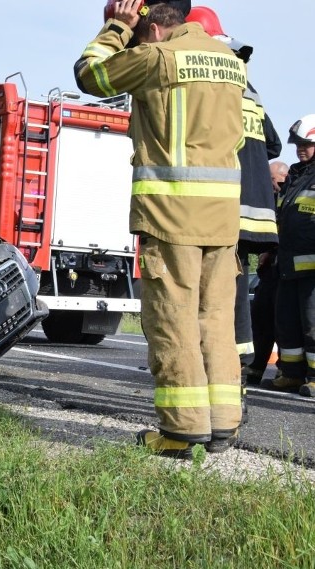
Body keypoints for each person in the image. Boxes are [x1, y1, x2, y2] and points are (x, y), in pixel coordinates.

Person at [75, 0, 245, 457]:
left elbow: (90, 75)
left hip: (173, 215)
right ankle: (224, 424)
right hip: (223, 219)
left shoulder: (157, 57)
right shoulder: (230, 62)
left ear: (150, 24)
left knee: (173, 319)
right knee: (216, 320)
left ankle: (180, 430)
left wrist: (115, 27)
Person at [184, 6, 281, 420]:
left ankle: (226, 378)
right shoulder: (250, 89)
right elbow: (272, 146)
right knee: (234, 292)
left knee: (220, 297)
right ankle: (232, 377)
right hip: (256, 209)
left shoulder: (209, 82)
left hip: (222, 203)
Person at [261, 117, 315, 396]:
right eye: (298, 144)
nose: (300, 149)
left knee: (313, 324)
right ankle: (292, 374)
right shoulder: (295, 175)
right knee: (287, 323)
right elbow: (282, 216)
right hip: (287, 262)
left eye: (307, 144)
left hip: (312, 267)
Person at [246, 160, 289, 384]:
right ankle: (255, 369)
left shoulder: (290, 196)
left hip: (287, 269)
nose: (272, 184)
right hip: (270, 270)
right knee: (261, 318)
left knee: (285, 323)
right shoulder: (271, 200)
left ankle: (286, 371)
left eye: (275, 180)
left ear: (284, 177)